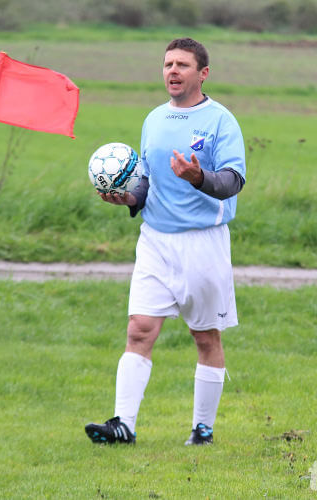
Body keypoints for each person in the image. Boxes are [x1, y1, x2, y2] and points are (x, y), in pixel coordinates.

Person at [84, 38, 246, 446]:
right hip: (155, 240)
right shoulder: (154, 119)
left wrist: (198, 178)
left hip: (203, 243)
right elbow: (145, 179)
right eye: (168, 64)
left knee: (205, 337)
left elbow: (232, 181)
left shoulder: (221, 121)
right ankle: (123, 424)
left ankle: (202, 430)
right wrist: (129, 197)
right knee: (139, 330)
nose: (173, 71)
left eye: (183, 65)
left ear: (202, 73)